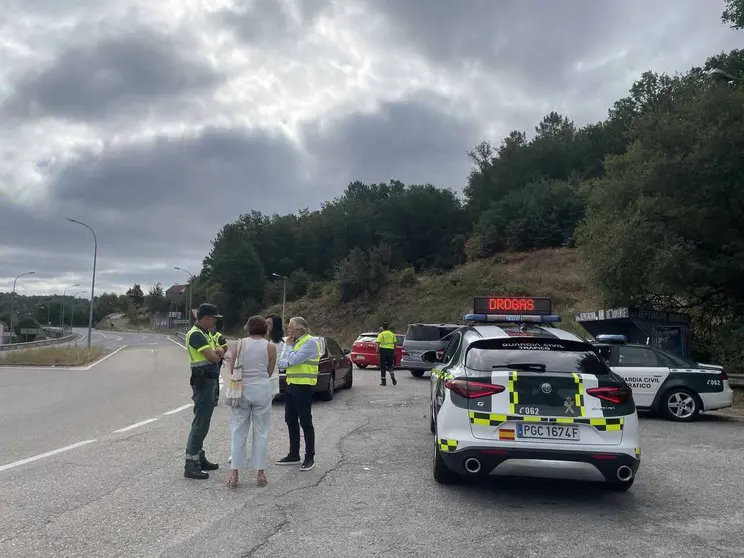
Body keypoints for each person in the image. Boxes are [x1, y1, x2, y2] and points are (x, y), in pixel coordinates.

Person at [227, 316, 276, 488]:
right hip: (261, 390)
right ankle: (260, 473)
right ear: (265, 329)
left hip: (242, 389)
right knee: (261, 431)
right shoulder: (270, 347)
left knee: (238, 430)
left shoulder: (239, 345)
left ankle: (235, 474)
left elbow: (233, 368)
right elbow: (269, 372)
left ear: (248, 328)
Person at [184, 303, 225, 480]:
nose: (215, 322)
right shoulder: (196, 334)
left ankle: (199, 457)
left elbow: (221, 350)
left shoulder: (206, 334)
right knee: (201, 421)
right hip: (202, 381)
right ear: (207, 318)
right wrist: (217, 353)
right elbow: (214, 356)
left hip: (209, 380)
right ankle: (191, 463)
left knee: (204, 420)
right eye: (214, 318)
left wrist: (218, 352)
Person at [275, 316, 321, 471]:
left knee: (306, 422)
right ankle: (294, 454)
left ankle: (310, 457)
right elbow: (281, 363)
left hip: (304, 386)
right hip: (291, 385)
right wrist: (288, 352)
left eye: (290, 327)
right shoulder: (294, 343)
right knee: (290, 420)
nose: (288, 330)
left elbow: (292, 360)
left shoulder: (309, 342)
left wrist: (288, 349)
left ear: (300, 328)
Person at [210, 326, 228, 406]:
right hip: (208, 358)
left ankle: (215, 398)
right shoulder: (207, 334)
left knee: (215, 377)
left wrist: (220, 355)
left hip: (217, 359)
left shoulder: (219, 336)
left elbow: (225, 347)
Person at [376, 322, 398, 387]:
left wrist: (377, 352)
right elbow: (395, 344)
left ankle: (383, 382)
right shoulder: (392, 334)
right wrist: (394, 351)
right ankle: (392, 376)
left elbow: (377, 343)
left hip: (383, 351)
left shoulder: (381, 334)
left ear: (383, 328)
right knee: (390, 365)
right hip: (390, 351)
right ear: (388, 327)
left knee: (382, 366)